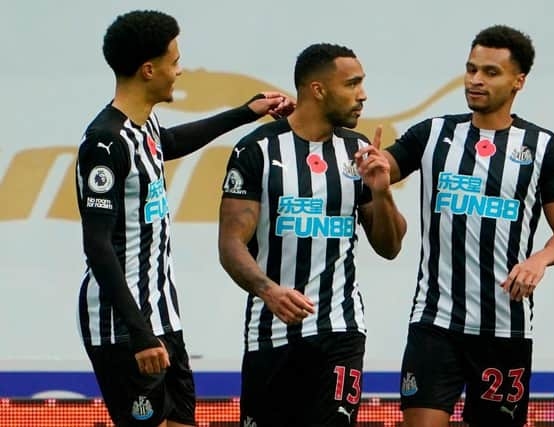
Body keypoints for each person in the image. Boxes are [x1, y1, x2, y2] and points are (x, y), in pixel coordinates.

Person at [75, 10, 293, 427]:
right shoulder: (105, 141)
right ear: (148, 69)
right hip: (125, 326)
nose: (180, 70)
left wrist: (247, 112)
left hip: (161, 318)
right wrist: (139, 332)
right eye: (175, 61)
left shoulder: (142, 126)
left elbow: (168, 142)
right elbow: (97, 245)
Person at [384, 25, 554, 427]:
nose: (475, 80)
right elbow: (383, 166)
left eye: (490, 72)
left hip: (504, 329)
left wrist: (539, 259)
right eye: (471, 69)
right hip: (434, 323)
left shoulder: (542, 147)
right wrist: (371, 167)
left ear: (518, 81)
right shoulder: (433, 134)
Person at [218, 43, 407, 427]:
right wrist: (269, 290)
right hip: (271, 333)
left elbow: (389, 247)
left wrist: (382, 192)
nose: (363, 95)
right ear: (318, 89)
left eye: (362, 84)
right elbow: (230, 244)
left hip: (340, 329)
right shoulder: (257, 149)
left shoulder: (359, 152)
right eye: (352, 84)